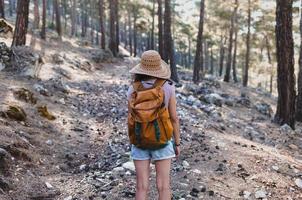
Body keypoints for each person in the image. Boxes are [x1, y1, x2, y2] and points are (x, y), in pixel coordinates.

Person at [127, 50, 181, 200]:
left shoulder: (133, 88)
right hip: (162, 140)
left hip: (139, 140)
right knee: (163, 186)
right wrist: (177, 143)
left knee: (141, 186)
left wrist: (132, 140)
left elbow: (131, 116)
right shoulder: (168, 86)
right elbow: (174, 118)